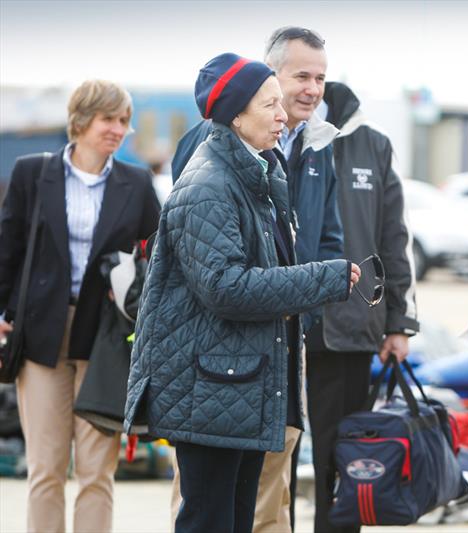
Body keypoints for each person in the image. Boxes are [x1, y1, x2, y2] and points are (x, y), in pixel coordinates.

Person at [123, 52, 360, 533]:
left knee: (234, 519)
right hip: (209, 384)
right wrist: (325, 280)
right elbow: (226, 288)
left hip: (239, 380)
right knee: (209, 519)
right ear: (234, 114)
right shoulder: (209, 183)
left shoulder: (256, 174)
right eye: (270, 105)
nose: (283, 115)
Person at [0, 79, 161, 532]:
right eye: (109, 118)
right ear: (81, 120)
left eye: (124, 121)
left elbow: (159, 254)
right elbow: (8, 249)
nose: (118, 129)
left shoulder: (136, 182)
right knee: (46, 468)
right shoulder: (33, 173)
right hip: (40, 333)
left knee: (96, 471)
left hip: (107, 338)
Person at [303, 80, 419, 533]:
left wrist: (398, 323)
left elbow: (393, 237)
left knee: (343, 462)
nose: (310, 88)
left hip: (350, 326)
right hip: (279, 321)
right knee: (275, 463)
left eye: (317, 77)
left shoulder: (372, 145)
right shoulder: (278, 136)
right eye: (301, 77)